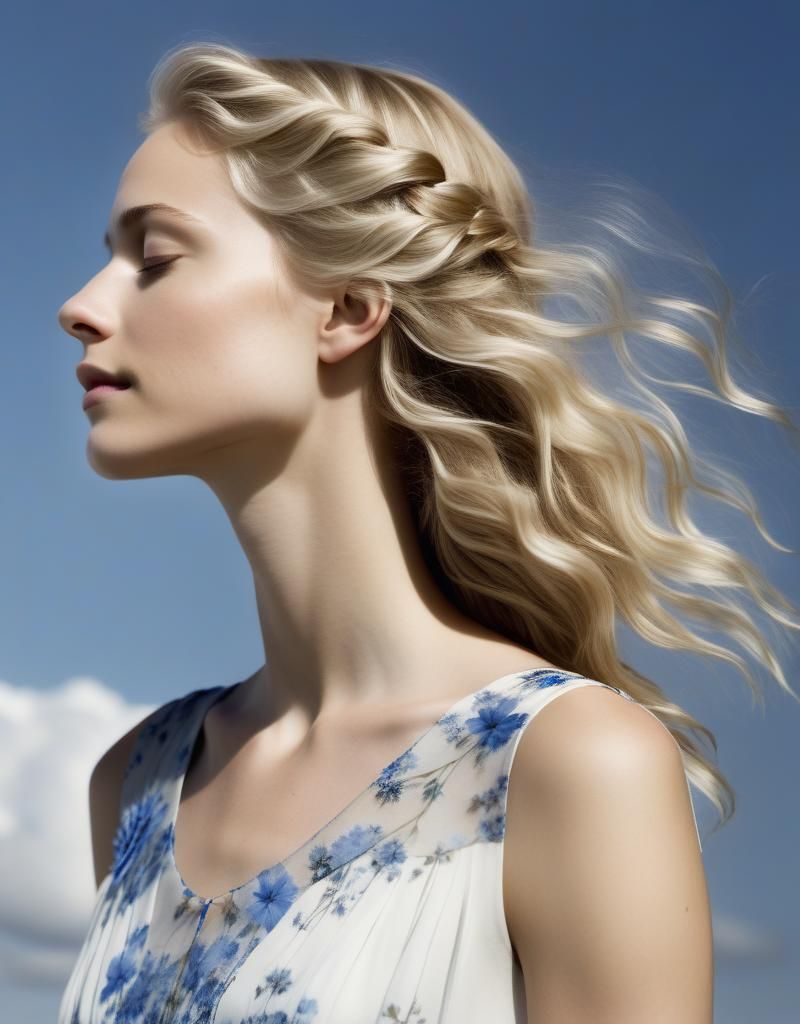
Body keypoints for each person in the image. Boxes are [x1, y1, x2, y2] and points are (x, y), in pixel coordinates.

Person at [55, 41, 797, 1024]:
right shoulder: (139, 783)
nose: (81, 306)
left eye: (153, 257)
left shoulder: (567, 763)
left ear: (349, 308)